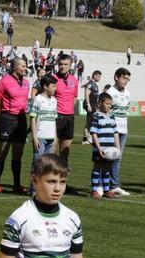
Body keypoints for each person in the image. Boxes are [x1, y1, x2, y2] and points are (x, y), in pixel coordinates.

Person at [0, 58, 31, 195]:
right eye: (23, 66)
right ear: (15, 67)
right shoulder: (3, 82)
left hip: (21, 119)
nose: (25, 68)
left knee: (18, 154)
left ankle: (16, 185)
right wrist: (0, 120)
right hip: (7, 118)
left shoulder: (26, 83)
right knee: (3, 151)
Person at [52, 54, 80, 195]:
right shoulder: (53, 79)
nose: (62, 66)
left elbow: (75, 96)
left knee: (65, 154)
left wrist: (68, 108)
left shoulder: (74, 80)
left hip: (69, 118)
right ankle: (49, 182)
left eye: (65, 64)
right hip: (56, 117)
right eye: (60, 64)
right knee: (52, 152)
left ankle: (63, 184)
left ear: (70, 65)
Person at [28, 75, 58, 194]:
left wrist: (55, 136)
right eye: (53, 86)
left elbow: (54, 120)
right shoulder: (38, 99)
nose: (55, 88)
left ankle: (44, 188)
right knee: (38, 164)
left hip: (51, 137)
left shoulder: (54, 100)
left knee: (49, 165)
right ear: (45, 86)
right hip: (40, 137)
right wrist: (34, 136)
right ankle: (34, 188)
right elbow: (33, 118)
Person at [89, 93, 119, 199]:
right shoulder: (96, 116)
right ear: (100, 103)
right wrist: (98, 147)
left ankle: (107, 190)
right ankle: (94, 190)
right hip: (100, 148)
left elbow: (115, 133)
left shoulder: (112, 116)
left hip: (110, 149)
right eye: (107, 104)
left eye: (110, 104)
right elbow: (94, 133)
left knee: (107, 169)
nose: (109, 106)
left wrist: (118, 147)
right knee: (97, 168)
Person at [106, 68, 131, 196]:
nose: (126, 81)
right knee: (108, 157)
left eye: (128, 79)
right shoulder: (110, 92)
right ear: (116, 77)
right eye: (124, 78)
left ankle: (114, 185)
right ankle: (103, 185)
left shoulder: (128, 93)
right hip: (111, 130)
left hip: (123, 129)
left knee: (118, 157)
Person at [81, 70, 101, 145]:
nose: (99, 78)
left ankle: (85, 139)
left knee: (89, 122)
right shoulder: (90, 84)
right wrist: (88, 105)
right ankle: (90, 138)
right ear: (94, 76)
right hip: (90, 104)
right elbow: (86, 94)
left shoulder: (95, 85)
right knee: (94, 121)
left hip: (93, 104)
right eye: (98, 76)